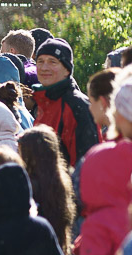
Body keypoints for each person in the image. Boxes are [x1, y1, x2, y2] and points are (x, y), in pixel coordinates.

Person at [31, 37, 99, 169]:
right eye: (40, 61)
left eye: (52, 62)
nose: (44, 67)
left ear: (67, 70)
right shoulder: (43, 102)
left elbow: (86, 161)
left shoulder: (77, 105)